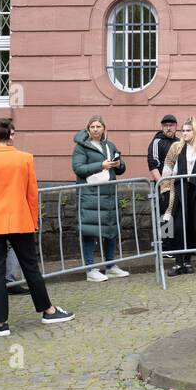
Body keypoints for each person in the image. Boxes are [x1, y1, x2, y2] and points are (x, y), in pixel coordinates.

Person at [0, 119, 73, 335]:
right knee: (30, 267)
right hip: (20, 219)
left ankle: (1, 323)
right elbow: (32, 194)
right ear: (9, 136)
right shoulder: (25, 158)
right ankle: (48, 310)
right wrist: (33, 220)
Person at [71, 116, 128, 282]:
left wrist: (120, 164)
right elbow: (78, 169)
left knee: (110, 229)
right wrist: (100, 166)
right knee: (89, 231)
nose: (95, 129)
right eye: (92, 126)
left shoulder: (109, 146)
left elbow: (120, 169)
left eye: (98, 126)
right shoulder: (81, 147)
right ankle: (90, 269)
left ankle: (110, 266)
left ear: (104, 128)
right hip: (90, 195)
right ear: (88, 129)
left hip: (108, 193)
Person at [159, 117, 196, 275]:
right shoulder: (176, 147)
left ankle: (187, 261)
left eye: (188, 130)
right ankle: (178, 263)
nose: (184, 133)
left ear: (195, 131)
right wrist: (165, 190)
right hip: (177, 190)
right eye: (183, 130)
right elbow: (167, 169)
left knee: (193, 226)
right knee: (177, 226)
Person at [147, 114, 179, 220]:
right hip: (163, 188)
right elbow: (153, 165)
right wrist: (162, 185)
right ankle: (165, 237)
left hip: (179, 186)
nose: (168, 128)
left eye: (171, 125)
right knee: (164, 217)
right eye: (166, 125)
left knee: (178, 216)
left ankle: (177, 237)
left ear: (176, 126)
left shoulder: (179, 142)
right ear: (162, 127)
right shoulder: (157, 141)